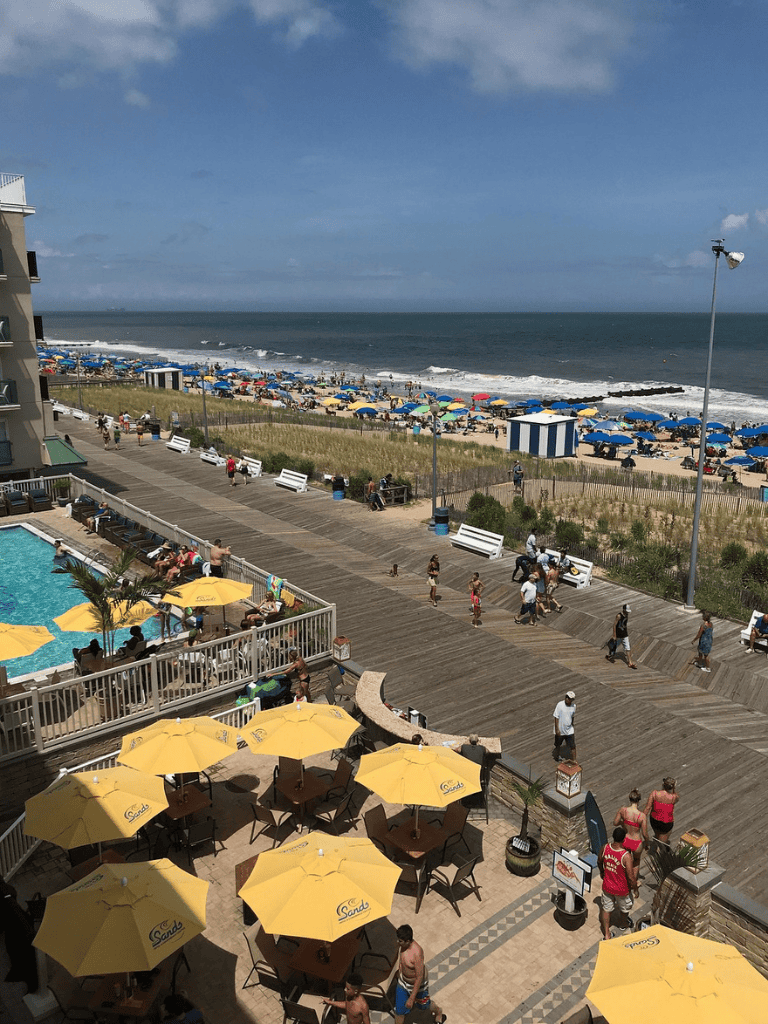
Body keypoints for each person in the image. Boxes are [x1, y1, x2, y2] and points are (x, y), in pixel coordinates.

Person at [394, 924, 446, 1024]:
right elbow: (402, 960)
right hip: (403, 983)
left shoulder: (417, 953)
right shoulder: (402, 946)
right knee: (399, 1011)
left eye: (400, 941)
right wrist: (399, 970)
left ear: (408, 941)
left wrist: (412, 998)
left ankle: (438, 1011)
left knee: (424, 1005)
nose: (397, 942)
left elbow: (419, 977)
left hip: (418, 985)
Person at [598, 826, 635, 940]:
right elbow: (630, 876)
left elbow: (599, 861)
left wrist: (602, 872)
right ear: (624, 839)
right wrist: (635, 888)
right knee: (624, 908)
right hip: (622, 890)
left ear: (613, 837)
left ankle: (607, 934)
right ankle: (623, 924)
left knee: (606, 909)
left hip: (607, 886)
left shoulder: (605, 848)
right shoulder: (626, 856)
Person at [612, 790, 648, 896]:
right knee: (636, 862)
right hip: (636, 843)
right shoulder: (641, 816)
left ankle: (622, 881)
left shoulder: (623, 810)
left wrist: (623, 823)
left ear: (629, 799)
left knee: (624, 861)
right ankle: (632, 885)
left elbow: (615, 823)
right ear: (639, 800)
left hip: (625, 840)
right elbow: (645, 834)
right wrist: (647, 843)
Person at [643, 777, 679, 845]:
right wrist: (673, 789)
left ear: (663, 785)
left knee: (657, 834)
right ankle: (659, 849)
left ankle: (657, 842)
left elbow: (647, 808)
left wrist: (641, 820)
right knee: (662, 843)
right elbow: (676, 797)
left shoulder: (654, 793)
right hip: (666, 823)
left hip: (654, 820)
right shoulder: (674, 797)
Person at [606, 603, 637, 669]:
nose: (627, 612)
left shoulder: (626, 615)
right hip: (618, 635)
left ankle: (630, 663)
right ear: (624, 610)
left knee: (628, 648)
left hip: (625, 635)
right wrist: (614, 635)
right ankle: (609, 656)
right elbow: (614, 625)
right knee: (614, 647)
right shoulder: (619, 616)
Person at [552, 691, 577, 762]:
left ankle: (574, 760)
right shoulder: (560, 705)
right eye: (567, 697)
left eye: (569, 698)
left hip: (569, 730)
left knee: (573, 746)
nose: (567, 699)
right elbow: (556, 717)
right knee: (558, 744)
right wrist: (557, 729)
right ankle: (557, 756)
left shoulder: (574, 706)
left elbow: (572, 716)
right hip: (560, 729)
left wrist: (572, 723)